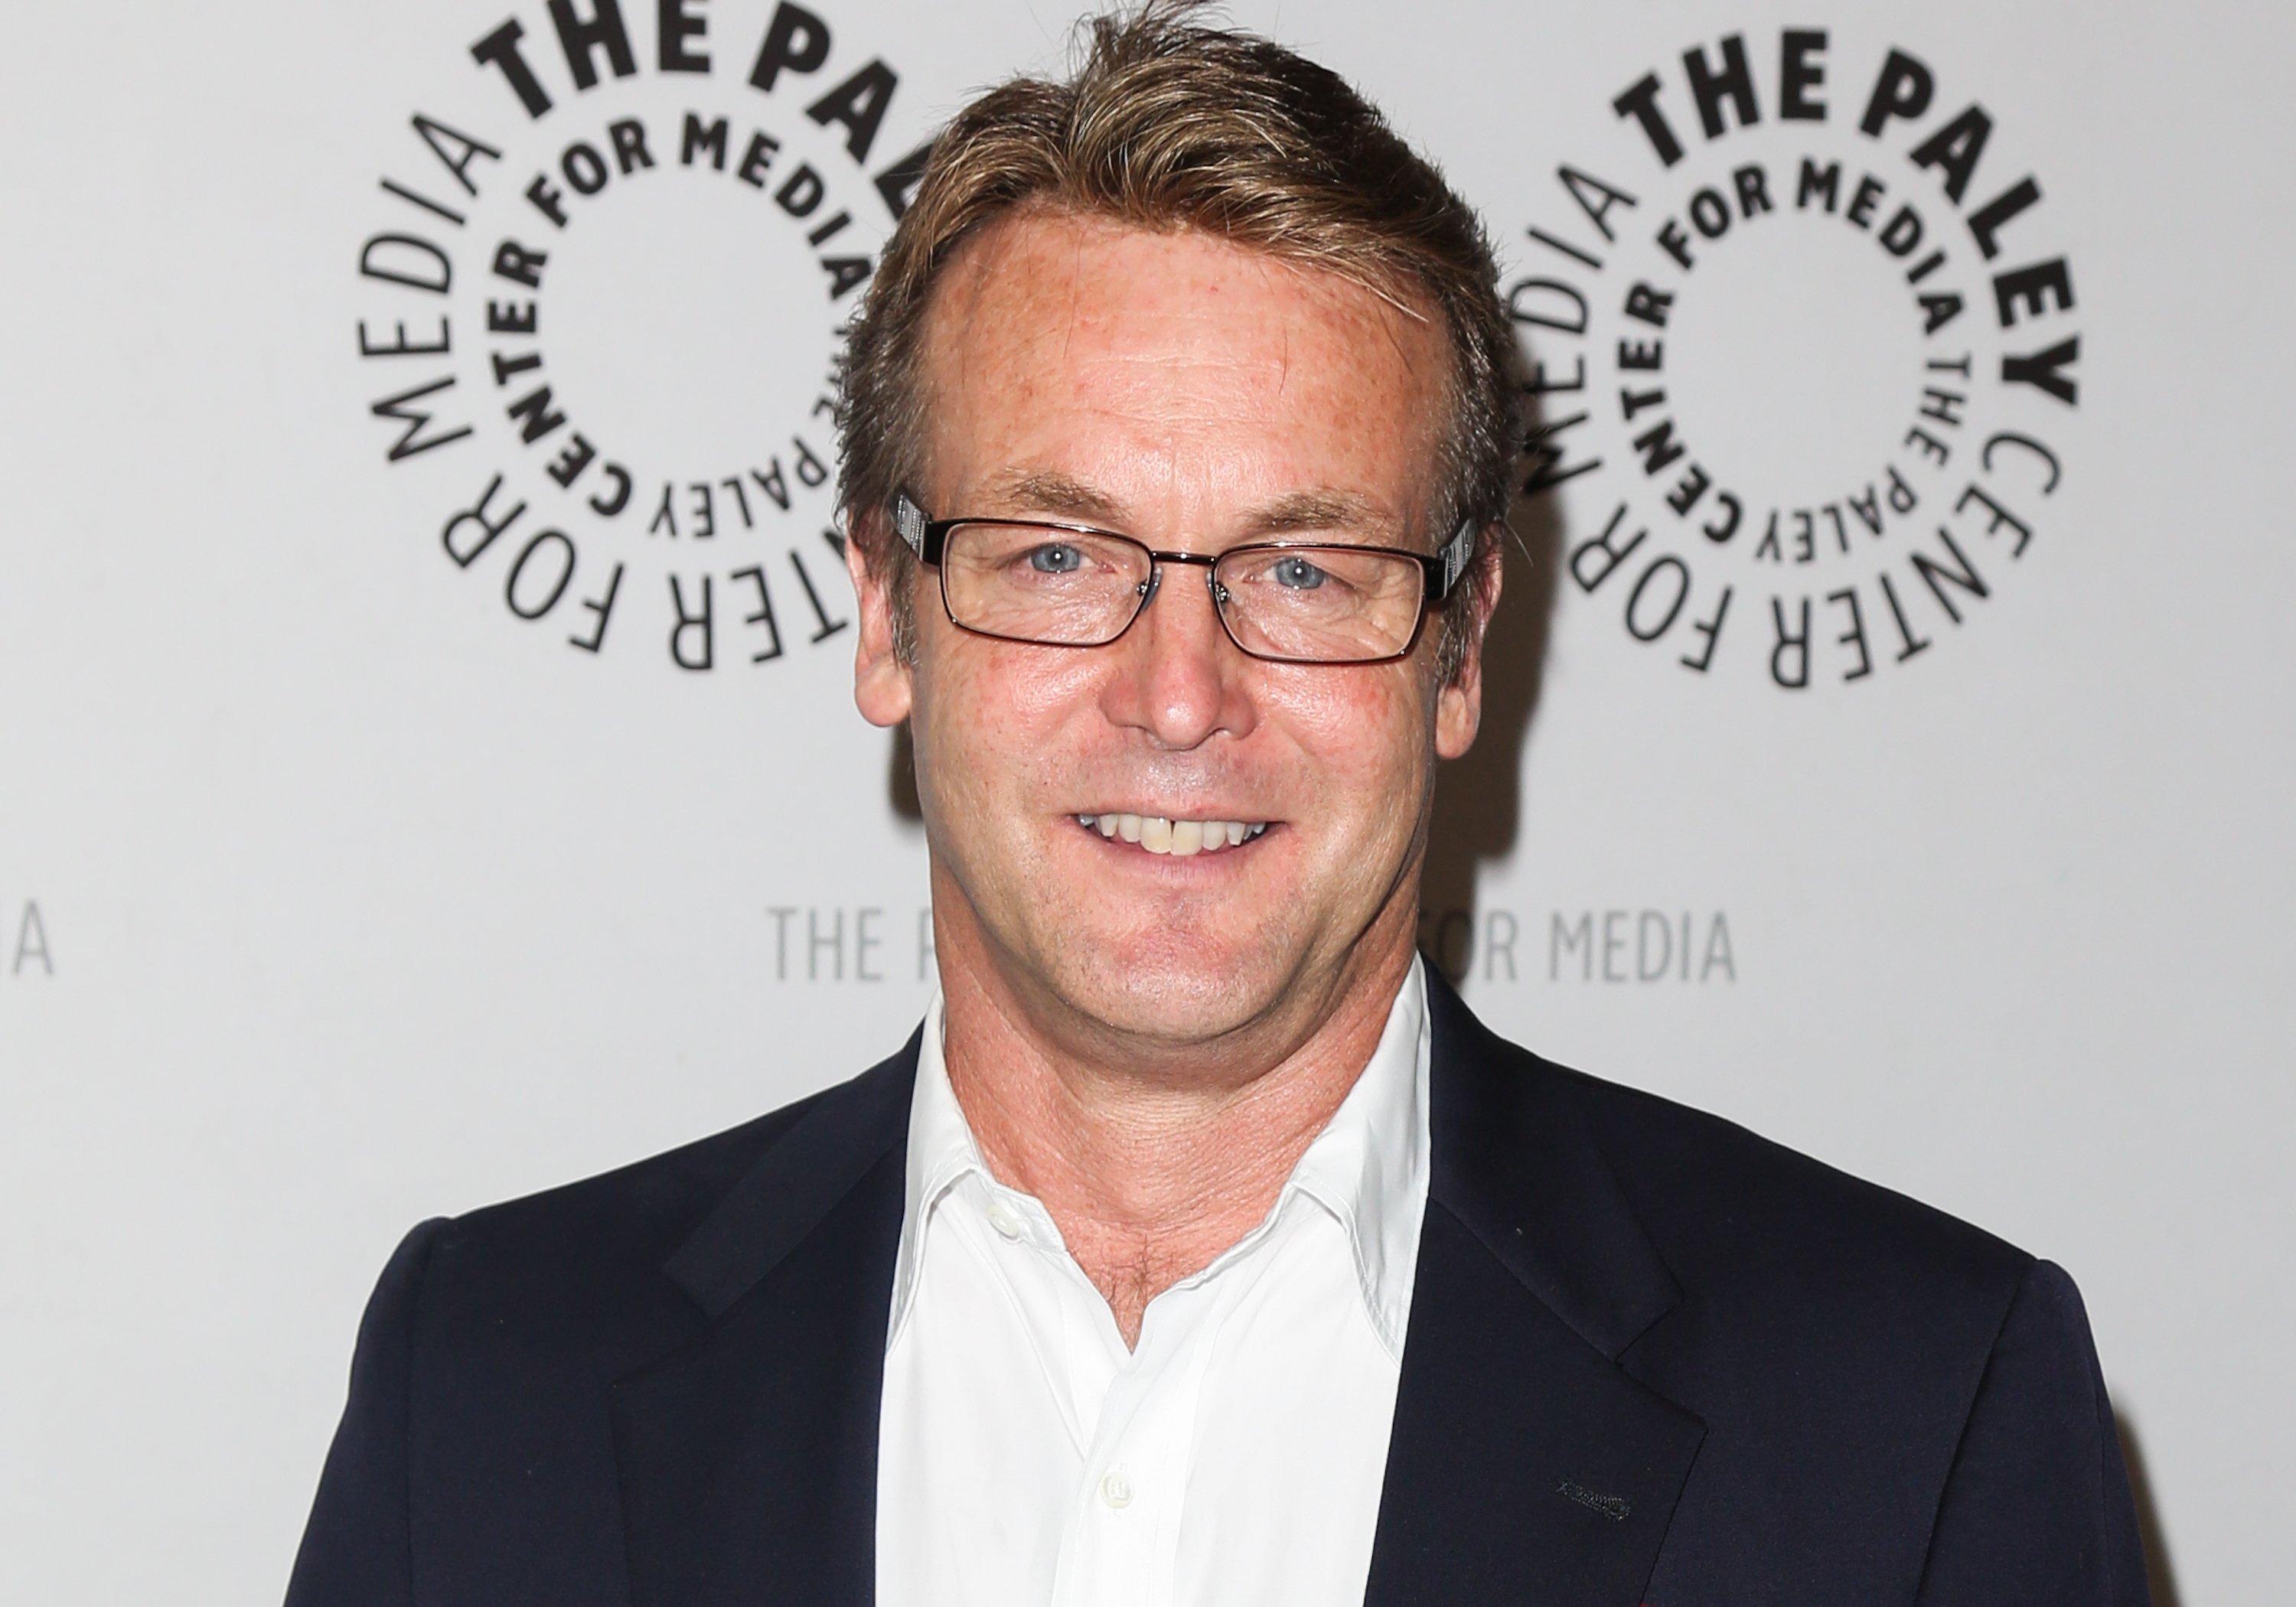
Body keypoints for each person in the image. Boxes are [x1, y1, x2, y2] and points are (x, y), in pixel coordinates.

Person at [286, 7, 2151, 1604]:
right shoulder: (495, 1384)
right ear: (880, 613)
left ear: (1461, 650)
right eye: (1058, 554)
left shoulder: (1913, 1412)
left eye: (1306, 571)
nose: (1180, 695)